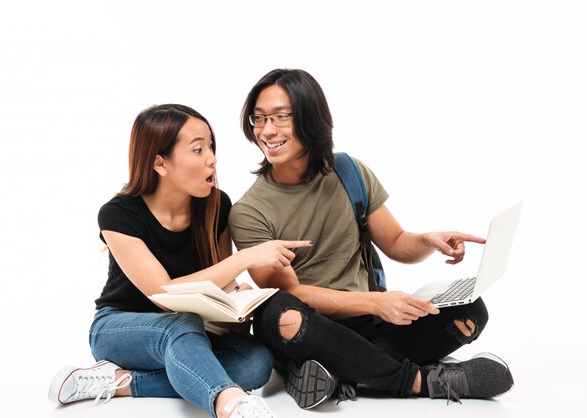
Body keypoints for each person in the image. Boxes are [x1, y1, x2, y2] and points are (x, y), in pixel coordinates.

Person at [229, 69, 515, 409]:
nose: (267, 130)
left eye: (281, 117)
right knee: (275, 310)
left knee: (470, 308)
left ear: (310, 118)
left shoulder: (349, 172)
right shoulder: (248, 211)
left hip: (369, 326)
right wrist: (377, 302)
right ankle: (420, 381)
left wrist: (427, 239)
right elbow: (292, 292)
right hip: (309, 329)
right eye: (259, 119)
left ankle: (337, 373)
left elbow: (395, 242)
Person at [47, 104, 312, 418]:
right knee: (180, 325)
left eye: (211, 146)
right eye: (198, 149)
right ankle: (230, 404)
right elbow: (164, 296)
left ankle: (119, 383)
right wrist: (245, 258)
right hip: (119, 328)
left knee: (255, 363)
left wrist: (235, 302)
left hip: (195, 331)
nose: (211, 158)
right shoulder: (117, 214)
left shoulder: (217, 205)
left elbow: (218, 281)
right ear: (160, 163)